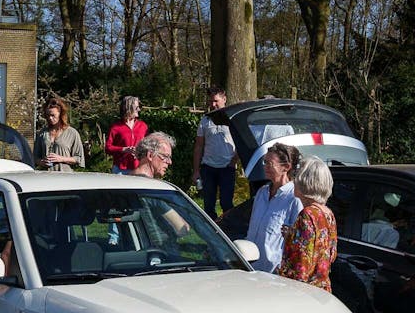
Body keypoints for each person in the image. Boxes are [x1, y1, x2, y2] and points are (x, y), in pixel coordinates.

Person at [277, 156, 338, 291]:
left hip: (304, 292)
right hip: (322, 290)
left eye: (297, 176)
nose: (294, 181)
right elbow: (327, 254)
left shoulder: (308, 215)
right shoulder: (328, 214)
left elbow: (302, 263)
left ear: (306, 182)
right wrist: (292, 236)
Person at [245, 143, 302, 272]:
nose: (265, 167)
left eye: (269, 163)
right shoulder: (262, 193)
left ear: (286, 167)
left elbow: (297, 239)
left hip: (273, 273)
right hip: (250, 267)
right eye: (264, 162)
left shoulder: (294, 198)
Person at [129, 132, 190, 238]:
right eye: (166, 156)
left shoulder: (125, 182)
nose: (169, 162)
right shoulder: (152, 190)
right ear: (150, 155)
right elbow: (182, 228)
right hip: (160, 249)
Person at [191, 86, 238, 219]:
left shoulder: (232, 119)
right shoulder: (205, 120)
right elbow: (199, 146)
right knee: (208, 204)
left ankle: (229, 231)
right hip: (208, 168)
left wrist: (234, 161)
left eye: (216, 101)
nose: (213, 104)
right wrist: (196, 170)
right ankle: (212, 233)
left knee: (226, 203)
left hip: (227, 167)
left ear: (224, 99)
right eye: (211, 101)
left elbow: (241, 143)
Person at [33, 95, 85, 172]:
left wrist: (61, 158)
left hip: (65, 178)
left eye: (53, 115)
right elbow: (35, 157)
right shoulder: (42, 133)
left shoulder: (72, 133)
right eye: (48, 115)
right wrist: (42, 162)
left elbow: (79, 158)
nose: (50, 118)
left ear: (61, 114)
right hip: (46, 178)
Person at [105, 95, 147, 173]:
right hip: (120, 170)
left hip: (139, 168)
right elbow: (108, 148)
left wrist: (140, 152)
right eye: (137, 107)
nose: (139, 109)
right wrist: (123, 149)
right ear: (128, 108)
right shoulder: (116, 127)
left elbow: (148, 145)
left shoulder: (143, 126)